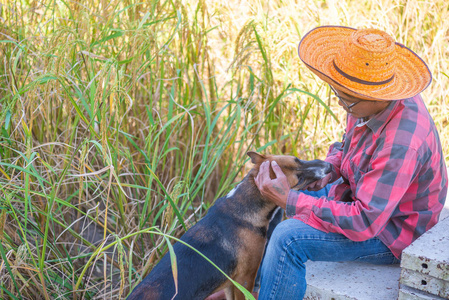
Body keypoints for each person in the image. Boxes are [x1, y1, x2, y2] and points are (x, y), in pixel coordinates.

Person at [253, 26, 448, 299]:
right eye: (338, 93)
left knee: (289, 239)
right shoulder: (365, 96)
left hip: (392, 228)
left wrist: (292, 202)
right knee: (281, 197)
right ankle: (252, 285)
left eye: (348, 101)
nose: (342, 105)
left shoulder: (402, 142)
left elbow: (364, 222)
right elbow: (348, 145)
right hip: (364, 197)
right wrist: (329, 169)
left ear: (379, 96)